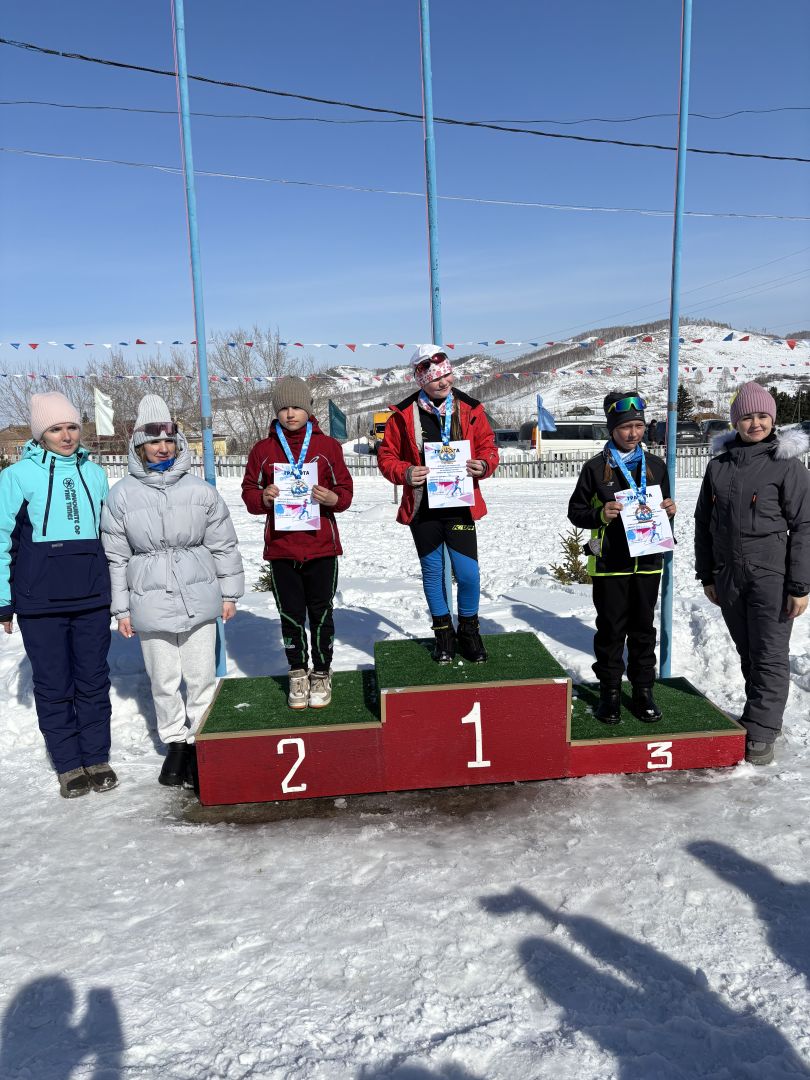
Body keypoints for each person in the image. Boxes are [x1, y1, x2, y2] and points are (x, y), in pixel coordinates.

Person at [101, 395, 244, 787]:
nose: (162, 448)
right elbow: (116, 558)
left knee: (201, 677)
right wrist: (121, 609)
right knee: (163, 679)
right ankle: (176, 744)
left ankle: (202, 741)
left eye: (168, 439)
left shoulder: (200, 491)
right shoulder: (121, 495)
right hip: (149, 600)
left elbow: (223, 545)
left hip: (199, 596)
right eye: (153, 441)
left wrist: (229, 594)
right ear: (139, 446)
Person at [0, 392, 116, 798]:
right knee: (54, 686)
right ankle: (68, 764)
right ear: (40, 435)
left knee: (93, 681)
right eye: (55, 429)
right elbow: (2, 539)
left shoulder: (95, 473)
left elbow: (110, 536)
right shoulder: (17, 477)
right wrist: (3, 600)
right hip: (40, 602)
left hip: (92, 597)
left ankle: (97, 758)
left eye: (71, 427)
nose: (66, 436)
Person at [694, 382, 810, 765]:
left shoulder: (787, 465)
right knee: (748, 651)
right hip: (728, 575)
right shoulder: (718, 466)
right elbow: (703, 523)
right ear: (735, 422)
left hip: (771, 574)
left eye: (762, 416)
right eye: (747, 417)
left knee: (769, 654)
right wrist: (707, 575)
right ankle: (761, 715)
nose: (755, 423)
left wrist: (799, 585)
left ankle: (761, 730)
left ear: (773, 419)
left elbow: (805, 526)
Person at [377, 345, 499, 664]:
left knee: (468, 574)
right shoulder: (403, 414)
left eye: (446, 375)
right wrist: (405, 472)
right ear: (421, 381)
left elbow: (489, 447)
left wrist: (484, 464)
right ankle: (443, 634)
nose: (443, 382)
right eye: (434, 379)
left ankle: (469, 631)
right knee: (433, 572)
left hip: (460, 504)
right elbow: (386, 457)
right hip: (424, 508)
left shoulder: (470, 408)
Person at [241, 376, 353, 709]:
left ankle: (321, 672)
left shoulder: (327, 447)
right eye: (284, 408)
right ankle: (297, 673)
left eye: (297, 407)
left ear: (308, 409)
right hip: (282, 549)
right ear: (276, 411)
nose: (290, 414)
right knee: (290, 615)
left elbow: (345, 491)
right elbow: (249, 492)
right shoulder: (263, 450)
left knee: (321, 613)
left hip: (321, 547)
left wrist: (333, 498)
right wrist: (263, 497)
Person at [567, 391, 677, 724]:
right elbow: (576, 511)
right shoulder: (595, 468)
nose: (633, 433)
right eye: (626, 427)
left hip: (647, 562)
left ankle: (643, 691)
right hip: (610, 564)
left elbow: (663, 508)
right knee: (611, 631)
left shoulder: (656, 466)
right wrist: (600, 514)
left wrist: (669, 510)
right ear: (612, 429)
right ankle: (610, 693)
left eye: (638, 426)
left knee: (643, 630)